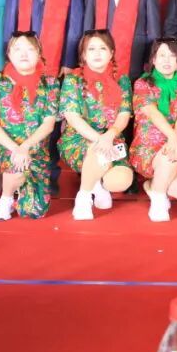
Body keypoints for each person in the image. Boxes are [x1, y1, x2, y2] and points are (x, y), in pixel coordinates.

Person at [0, 32, 60, 220]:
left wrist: (25, 147)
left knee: (35, 211)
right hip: (3, 147)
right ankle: (6, 199)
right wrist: (16, 149)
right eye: (17, 49)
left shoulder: (50, 84)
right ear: (9, 53)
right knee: (15, 166)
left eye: (30, 49)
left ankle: (22, 188)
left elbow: (48, 125)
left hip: (34, 150)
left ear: (39, 53)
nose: (24, 54)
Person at [59, 30, 135, 220]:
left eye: (103, 48)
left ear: (111, 53)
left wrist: (110, 135)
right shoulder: (73, 79)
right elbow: (72, 117)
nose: (97, 53)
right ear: (84, 55)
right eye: (91, 49)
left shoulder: (122, 80)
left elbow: (124, 114)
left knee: (121, 180)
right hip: (78, 139)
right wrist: (100, 140)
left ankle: (98, 184)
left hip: (112, 138)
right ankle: (84, 197)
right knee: (96, 150)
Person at [131, 37, 177, 222]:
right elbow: (152, 112)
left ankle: (152, 186)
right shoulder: (143, 83)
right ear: (153, 59)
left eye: (172, 56)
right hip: (148, 146)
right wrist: (172, 138)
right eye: (162, 55)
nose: (167, 60)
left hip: (175, 144)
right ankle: (158, 200)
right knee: (169, 155)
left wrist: (175, 138)